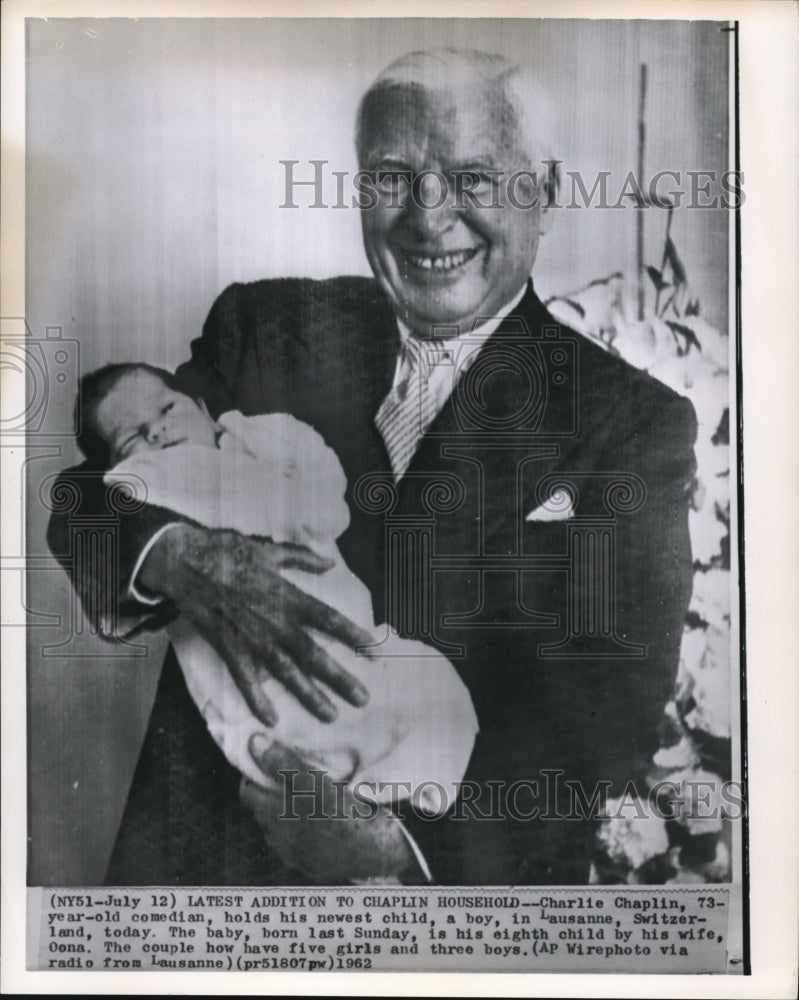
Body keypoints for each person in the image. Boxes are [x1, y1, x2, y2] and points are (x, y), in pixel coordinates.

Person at [47, 48, 697, 886]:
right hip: (200, 875)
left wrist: (404, 849)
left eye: (472, 176)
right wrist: (176, 554)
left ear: (545, 190)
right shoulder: (266, 329)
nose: (429, 218)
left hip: (432, 904)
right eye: (393, 175)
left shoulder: (630, 423)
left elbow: (601, 719)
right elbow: (86, 491)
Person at [75, 361, 478, 835]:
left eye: (166, 408)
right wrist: (164, 547)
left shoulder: (253, 447)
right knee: (334, 736)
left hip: (360, 640)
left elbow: (326, 493)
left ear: (204, 411)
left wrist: (250, 439)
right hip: (262, 689)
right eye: (133, 437)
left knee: (437, 696)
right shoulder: (155, 476)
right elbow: (87, 501)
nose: (157, 430)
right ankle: (376, 823)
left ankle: (397, 833)